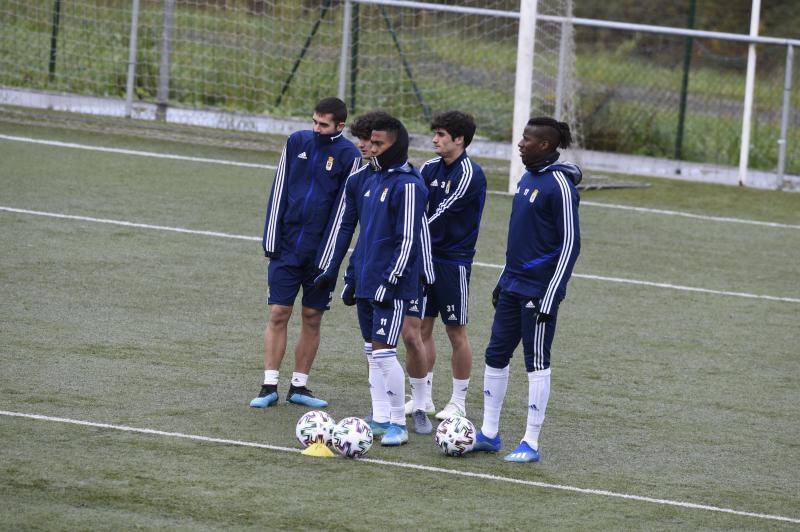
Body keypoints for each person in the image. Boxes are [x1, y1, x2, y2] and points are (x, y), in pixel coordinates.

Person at [320, 111, 436, 436]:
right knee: (372, 352)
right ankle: (381, 415)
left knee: (392, 349)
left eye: (376, 143)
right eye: (367, 142)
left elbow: (410, 238)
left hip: (395, 283)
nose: (368, 148)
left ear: (394, 146)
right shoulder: (363, 180)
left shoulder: (410, 185)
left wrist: (396, 278)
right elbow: (358, 233)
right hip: (367, 280)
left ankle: (403, 419)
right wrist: (343, 275)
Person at [472, 117, 581, 463]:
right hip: (513, 285)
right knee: (494, 354)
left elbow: (570, 245)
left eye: (527, 139)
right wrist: (503, 277)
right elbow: (520, 241)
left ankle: (530, 442)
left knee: (535, 362)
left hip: (539, 290)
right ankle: (489, 434)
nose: (520, 143)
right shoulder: (525, 179)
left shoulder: (560, 186)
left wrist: (552, 294)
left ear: (546, 145)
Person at [249, 97, 360, 409]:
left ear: (340, 126)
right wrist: (272, 241)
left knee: (312, 317)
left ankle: (299, 386)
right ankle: (268, 384)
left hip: (320, 254)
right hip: (286, 248)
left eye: (323, 124)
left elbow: (343, 212)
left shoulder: (350, 156)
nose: (316, 128)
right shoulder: (296, 141)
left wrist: (329, 260)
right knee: (277, 313)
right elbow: (279, 188)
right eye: (314, 121)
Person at [405, 111, 487, 422]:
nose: (434, 139)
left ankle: (458, 402)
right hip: (424, 258)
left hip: (453, 262)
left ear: (459, 139)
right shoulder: (428, 168)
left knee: (456, 332)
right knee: (421, 327)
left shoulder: (470, 174)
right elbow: (415, 203)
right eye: (435, 134)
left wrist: (408, 231)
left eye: (441, 134)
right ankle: (422, 398)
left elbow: (440, 213)